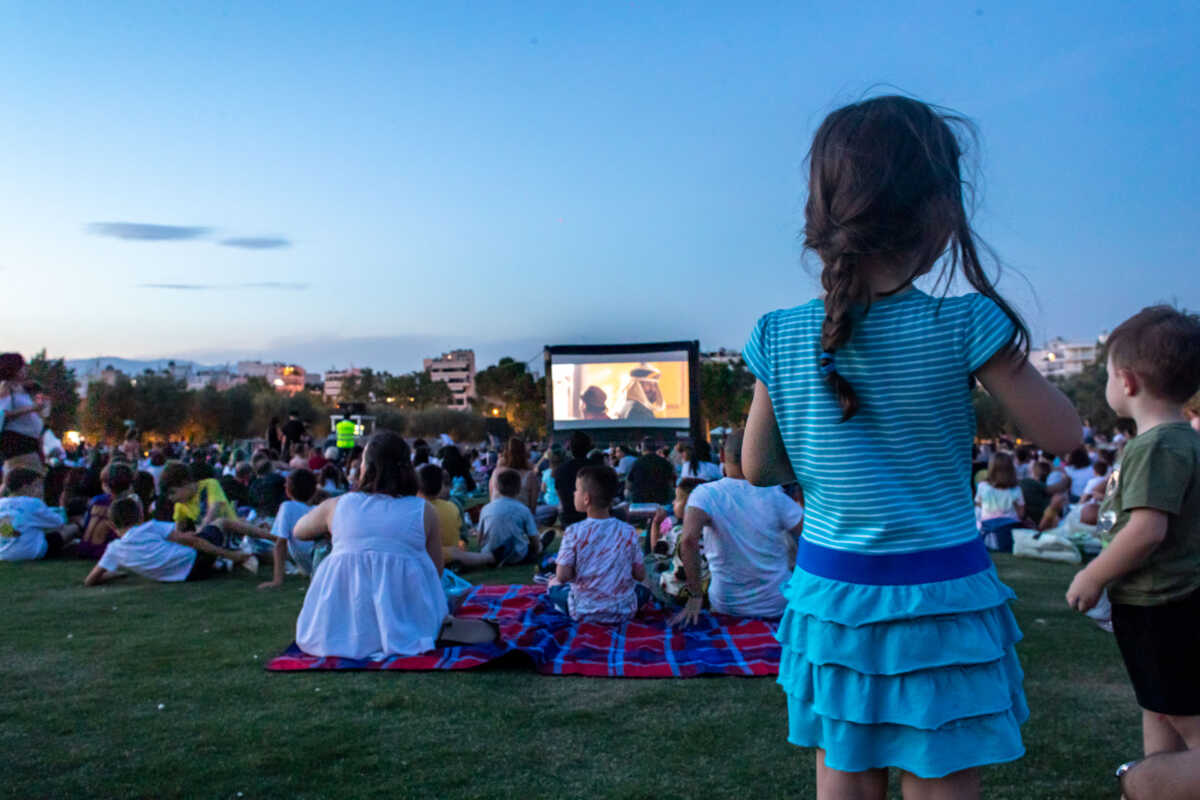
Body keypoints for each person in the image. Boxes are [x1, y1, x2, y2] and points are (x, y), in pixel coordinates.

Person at [740, 96, 1082, 796]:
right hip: (939, 598)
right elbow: (1065, 435)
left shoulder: (777, 334)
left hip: (833, 594)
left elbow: (757, 467)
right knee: (940, 774)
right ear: (939, 210)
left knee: (844, 769)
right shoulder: (966, 324)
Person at [1065, 306, 1200, 787]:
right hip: (1162, 603)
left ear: (1127, 381)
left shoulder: (1156, 445)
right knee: (1160, 711)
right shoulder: (1179, 440)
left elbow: (1148, 531)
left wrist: (1093, 574)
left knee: (1185, 721)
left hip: (1161, 604)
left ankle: (1141, 783)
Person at [291, 431, 486, 659]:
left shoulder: (338, 506)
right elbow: (436, 570)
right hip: (411, 622)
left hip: (338, 629)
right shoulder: (422, 511)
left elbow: (298, 531)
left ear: (366, 466)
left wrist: (335, 532)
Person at [671, 430, 804, 622]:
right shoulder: (775, 496)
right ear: (761, 457)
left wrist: (695, 596)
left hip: (727, 604)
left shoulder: (705, 494)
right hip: (776, 604)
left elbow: (688, 541)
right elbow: (811, 537)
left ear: (723, 456)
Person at [547, 465, 646, 623]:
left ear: (586, 498)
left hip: (582, 610)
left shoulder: (573, 532)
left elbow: (562, 576)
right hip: (624, 611)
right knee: (644, 588)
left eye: (576, 490)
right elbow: (640, 575)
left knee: (553, 584)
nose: (574, 493)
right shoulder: (628, 531)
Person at [83, 496, 255, 585]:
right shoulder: (150, 526)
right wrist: (230, 554)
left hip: (187, 577)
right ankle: (250, 544)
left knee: (184, 541)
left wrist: (114, 574)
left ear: (112, 525)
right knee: (220, 523)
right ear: (140, 516)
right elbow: (190, 541)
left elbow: (90, 580)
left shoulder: (114, 550)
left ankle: (223, 562)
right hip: (198, 560)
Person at [0, 467, 80, 560]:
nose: (41, 490)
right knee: (72, 527)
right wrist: (62, 507)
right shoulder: (33, 503)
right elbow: (59, 523)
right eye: (38, 486)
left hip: (4, 554)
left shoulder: (2, 503)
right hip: (32, 553)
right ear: (26, 487)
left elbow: (6, 530)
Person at [476, 469, 542, 566]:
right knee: (534, 547)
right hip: (516, 556)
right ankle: (542, 544)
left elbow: (479, 539)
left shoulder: (486, 508)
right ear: (519, 488)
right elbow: (533, 537)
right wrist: (538, 548)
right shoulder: (523, 509)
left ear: (497, 487)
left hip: (489, 554)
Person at [0, 353, 47, 478]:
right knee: (28, 477)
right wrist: (32, 408)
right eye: (22, 367)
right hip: (18, 441)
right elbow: (3, 414)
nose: (25, 370)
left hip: (30, 440)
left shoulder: (19, 388)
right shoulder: (6, 387)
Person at [77, 460, 135, 561]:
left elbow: (87, 523)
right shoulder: (127, 503)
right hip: (105, 549)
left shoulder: (97, 500)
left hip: (85, 547)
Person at [159, 461, 236, 533]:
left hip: (231, 531)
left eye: (173, 492)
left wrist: (200, 531)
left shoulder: (209, 485)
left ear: (185, 483)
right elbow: (179, 529)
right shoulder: (180, 505)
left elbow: (213, 510)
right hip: (211, 538)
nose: (170, 498)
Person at [975, 453, 1025, 553]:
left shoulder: (982, 486)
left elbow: (978, 507)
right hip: (1008, 531)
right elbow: (1021, 514)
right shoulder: (1016, 489)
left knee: (977, 510)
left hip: (986, 529)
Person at [486, 437, 540, 512]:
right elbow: (532, 509)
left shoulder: (495, 473)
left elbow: (491, 500)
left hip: (496, 518)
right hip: (520, 520)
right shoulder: (530, 476)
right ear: (524, 453)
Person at [553, 432, 592, 527]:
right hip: (592, 516)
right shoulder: (598, 467)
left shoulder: (560, 470)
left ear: (570, 448)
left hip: (569, 518)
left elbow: (560, 493)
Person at [626, 437, 674, 505]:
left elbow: (629, 485)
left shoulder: (636, 463)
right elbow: (670, 483)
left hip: (640, 502)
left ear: (642, 448)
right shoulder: (665, 463)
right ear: (655, 448)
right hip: (661, 502)